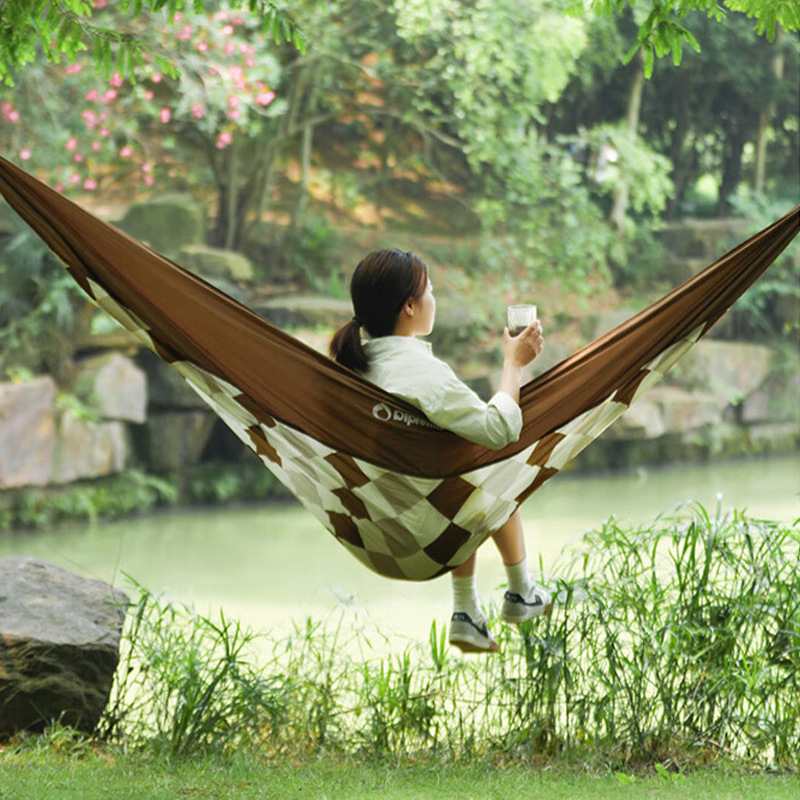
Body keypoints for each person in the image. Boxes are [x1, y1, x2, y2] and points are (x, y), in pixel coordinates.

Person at [329, 249, 552, 653]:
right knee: (496, 465)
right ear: (410, 307)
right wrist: (513, 365)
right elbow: (500, 430)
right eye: (429, 291)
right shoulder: (422, 375)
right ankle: (521, 591)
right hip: (423, 538)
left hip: (374, 533)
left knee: (449, 449)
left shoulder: (349, 369)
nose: (435, 298)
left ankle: (466, 611)